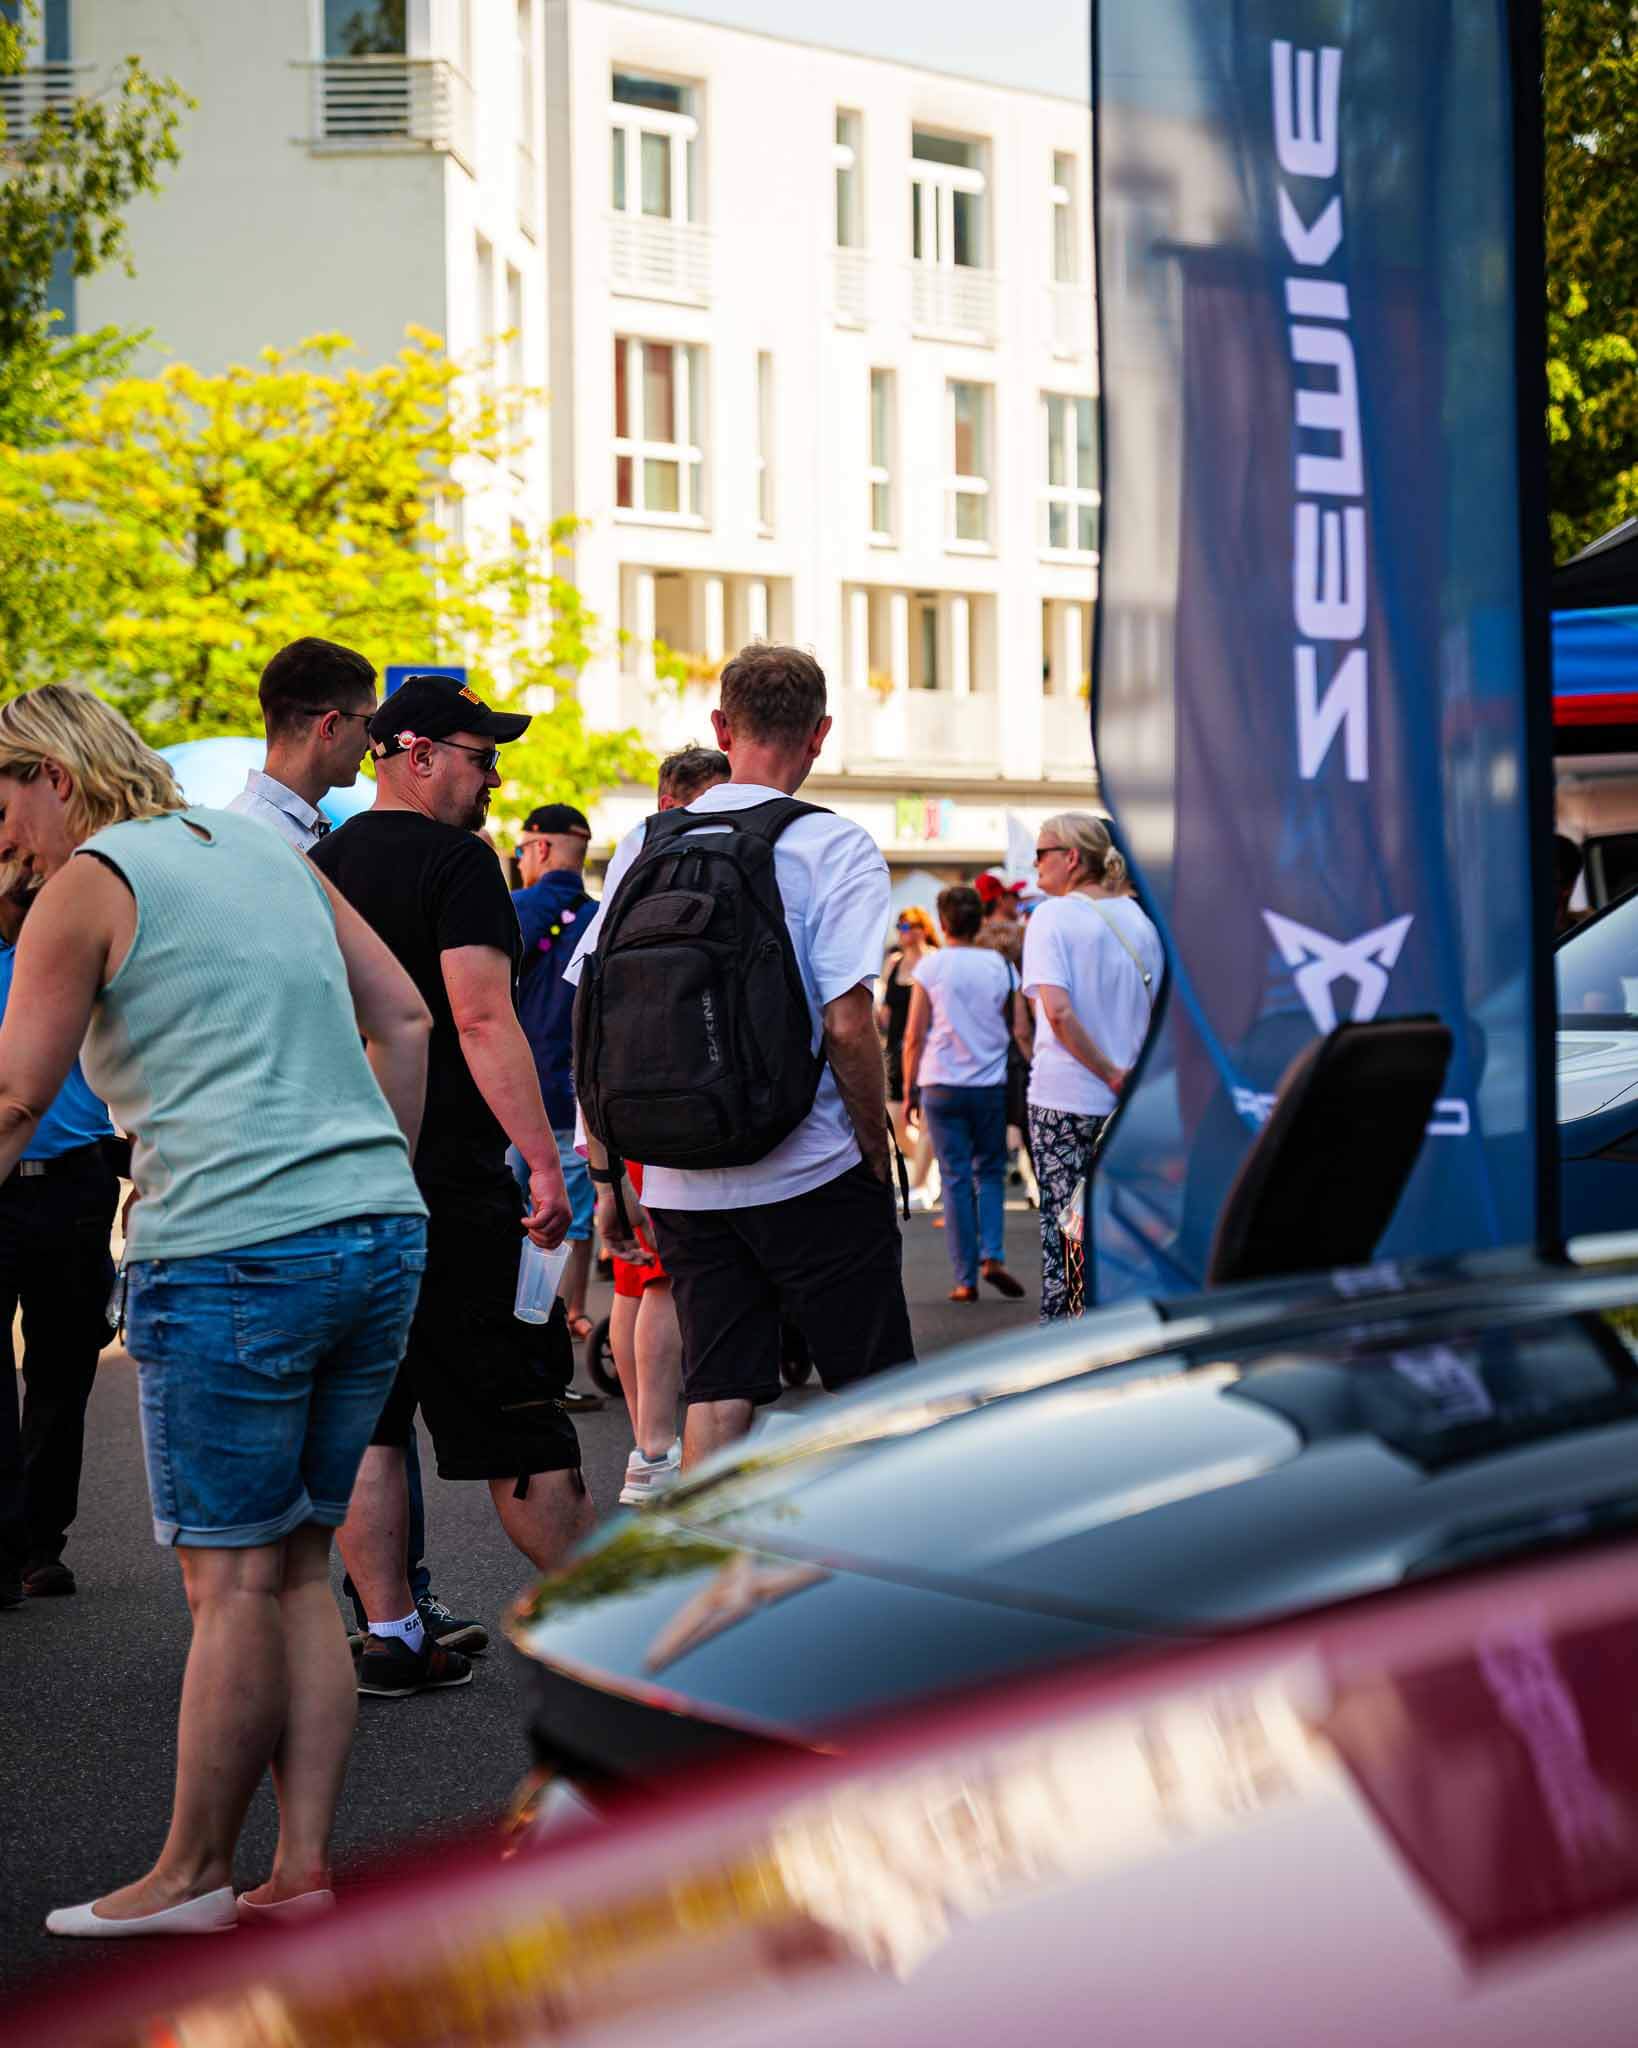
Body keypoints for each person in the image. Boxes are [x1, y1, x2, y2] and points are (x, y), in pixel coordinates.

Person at [0, 683, 431, 1934]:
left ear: (56, 775)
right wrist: (367, 1173)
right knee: (296, 1566)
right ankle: (298, 1870)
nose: (5, 837)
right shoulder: (261, 845)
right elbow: (404, 1016)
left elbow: (17, 1100)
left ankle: (190, 1874)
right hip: (377, 1227)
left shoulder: (89, 880)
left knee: (233, 1581)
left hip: (234, 1245)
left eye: (4, 804)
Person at [311, 673, 594, 1697]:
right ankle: (610, 1629)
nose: (494, 778)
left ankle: (391, 1631)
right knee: (519, 1413)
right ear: (416, 754)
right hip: (446, 1187)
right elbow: (479, 1017)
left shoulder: (316, 865)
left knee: (371, 1417)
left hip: (338, 1182)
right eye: (481, 757)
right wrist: (544, 1159)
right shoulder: (457, 861)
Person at [568, 645, 914, 1469]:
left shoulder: (646, 840)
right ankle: (893, 1545)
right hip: (809, 1162)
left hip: (682, 1171)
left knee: (720, 1387)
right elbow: (847, 1023)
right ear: (820, 734)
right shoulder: (835, 846)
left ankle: (703, 1547)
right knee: (876, 1389)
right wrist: (875, 1144)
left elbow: (595, 1013)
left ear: (722, 728)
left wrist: (607, 1173)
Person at [608, 745, 730, 1506]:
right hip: (666, 1094)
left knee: (636, 1278)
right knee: (656, 1277)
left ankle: (646, 1442)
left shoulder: (635, 860)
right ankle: (654, 1448)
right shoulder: (668, 855)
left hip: (630, 1092)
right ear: (675, 800)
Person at [0, 872, 121, 1605]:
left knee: (62, 1368)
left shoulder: (79, 946)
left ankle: (39, 1543)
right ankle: (6, 1541)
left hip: (75, 1182)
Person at [1023, 812, 1162, 1321]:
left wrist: (1107, 1072)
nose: (1035, 863)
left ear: (1072, 857)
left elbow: (1057, 1013)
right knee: (1125, 1231)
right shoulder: (1142, 923)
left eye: (1042, 853)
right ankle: (1125, 1330)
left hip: (1065, 1099)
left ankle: (1065, 1338)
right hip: (1131, 1103)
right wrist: (1125, 1078)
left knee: (1063, 1236)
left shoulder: (1052, 918)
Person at [902, 884, 1028, 1304]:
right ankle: (993, 1254)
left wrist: (909, 1089)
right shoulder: (1000, 966)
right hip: (989, 1084)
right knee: (989, 1172)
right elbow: (1019, 1028)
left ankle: (965, 1279)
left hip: (940, 1083)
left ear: (943, 923)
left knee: (954, 1178)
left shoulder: (931, 967)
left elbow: (914, 1036)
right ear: (979, 923)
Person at [511, 801, 602, 1378]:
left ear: (541, 847)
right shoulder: (603, 918)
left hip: (507, 1096)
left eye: (522, 850)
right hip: (572, 1095)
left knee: (508, 1211)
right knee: (570, 1218)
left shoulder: (510, 909)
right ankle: (566, 1317)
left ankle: (511, 1326)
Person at [226, 637, 376, 848]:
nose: (372, 743)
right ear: (330, 726)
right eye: (369, 723)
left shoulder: (255, 827)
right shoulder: (250, 838)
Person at [878, 907, 938, 1198]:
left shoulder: (934, 960)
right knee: (895, 1122)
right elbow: (885, 1013)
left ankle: (921, 1182)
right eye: (900, 926)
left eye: (909, 925)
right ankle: (931, 1168)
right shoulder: (894, 963)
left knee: (926, 1121)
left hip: (927, 1050)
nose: (903, 931)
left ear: (923, 929)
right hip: (895, 1051)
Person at [973, 872, 1027, 969]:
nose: (1019, 899)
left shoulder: (970, 935)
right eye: (1015, 895)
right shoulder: (1023, 933)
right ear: (1000, 898)